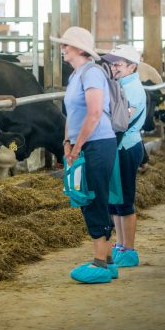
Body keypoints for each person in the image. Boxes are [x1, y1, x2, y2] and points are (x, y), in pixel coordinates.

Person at [50, 26, 117, 284]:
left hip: (97, 144)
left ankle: (99, 262)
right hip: (85, 143)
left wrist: (78, 147)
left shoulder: (92, 73)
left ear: (80, 49)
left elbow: (95, 113)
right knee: (87, 195)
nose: (63, 48)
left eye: (66, 44)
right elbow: (72, 114)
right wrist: (67, 142)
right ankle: (108, 261)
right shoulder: (76, 75)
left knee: (93, 197)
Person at [102, 44, 146, 268]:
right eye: (111, 63)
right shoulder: (119, 84)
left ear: (132, 67)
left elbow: (122, 121)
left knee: (125, 200)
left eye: (118, 64)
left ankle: (129, 249)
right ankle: (120, 245)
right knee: (115, 201)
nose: (113, 68)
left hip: (126, 147)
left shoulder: (134, 89)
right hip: (117, 147)